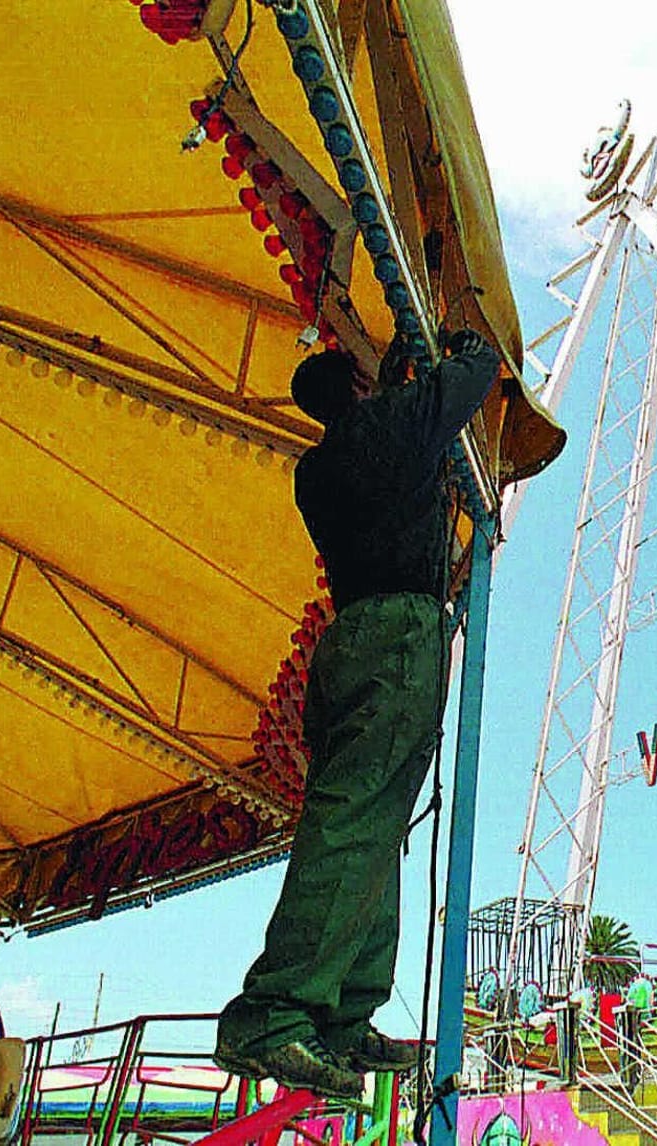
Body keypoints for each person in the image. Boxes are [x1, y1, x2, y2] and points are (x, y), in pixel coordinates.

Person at [214, 328, 500, 1099]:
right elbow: (474, 375)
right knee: (356, 823)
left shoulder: (318, 469)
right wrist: (466, 348)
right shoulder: (389, 427)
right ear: (362, 390)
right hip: (400, 636)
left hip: (349, 640)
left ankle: (343, 1014)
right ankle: (275, 1010)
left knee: (367, 823)